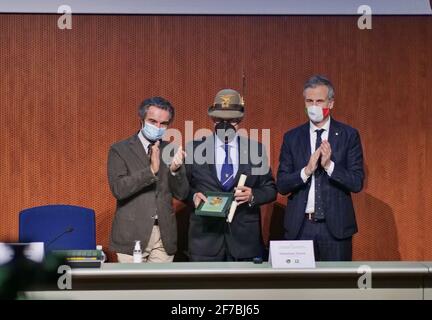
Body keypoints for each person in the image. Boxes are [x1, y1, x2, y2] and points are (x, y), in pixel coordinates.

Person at [276, 75, 364, 261]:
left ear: (331, 103)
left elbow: (356, 182)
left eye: (319, 101)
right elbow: (282, 185)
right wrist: (306, 171)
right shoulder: (292, 137)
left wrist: (329, 166)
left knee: (337, 288)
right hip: (300, 228)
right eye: (309, 101)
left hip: (335, 230)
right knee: (300, 288)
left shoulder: (348, 135)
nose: (314, 106)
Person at [186, 89, 277, 262]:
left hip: (244, 242)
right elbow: (182, 188)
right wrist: (193, 197)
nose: (226, 126)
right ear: (212, 120)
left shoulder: (255, 150)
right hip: (205, 240)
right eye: (221, 120)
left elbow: (270, 188)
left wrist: (253, 195)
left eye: (232, 121)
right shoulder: (194, 149)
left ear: (240, 120)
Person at [108, 97, 189, 263]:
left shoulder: (172, 150)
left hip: (164, 235)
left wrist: (176, 171)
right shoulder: (120, 150)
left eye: (164, 124)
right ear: (142, 120)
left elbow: (182, 194)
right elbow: (119, 189)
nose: (158, 127)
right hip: (132, 234)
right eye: (153, 121)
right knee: (132, 288)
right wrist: (151, 171)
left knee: (161, 288)